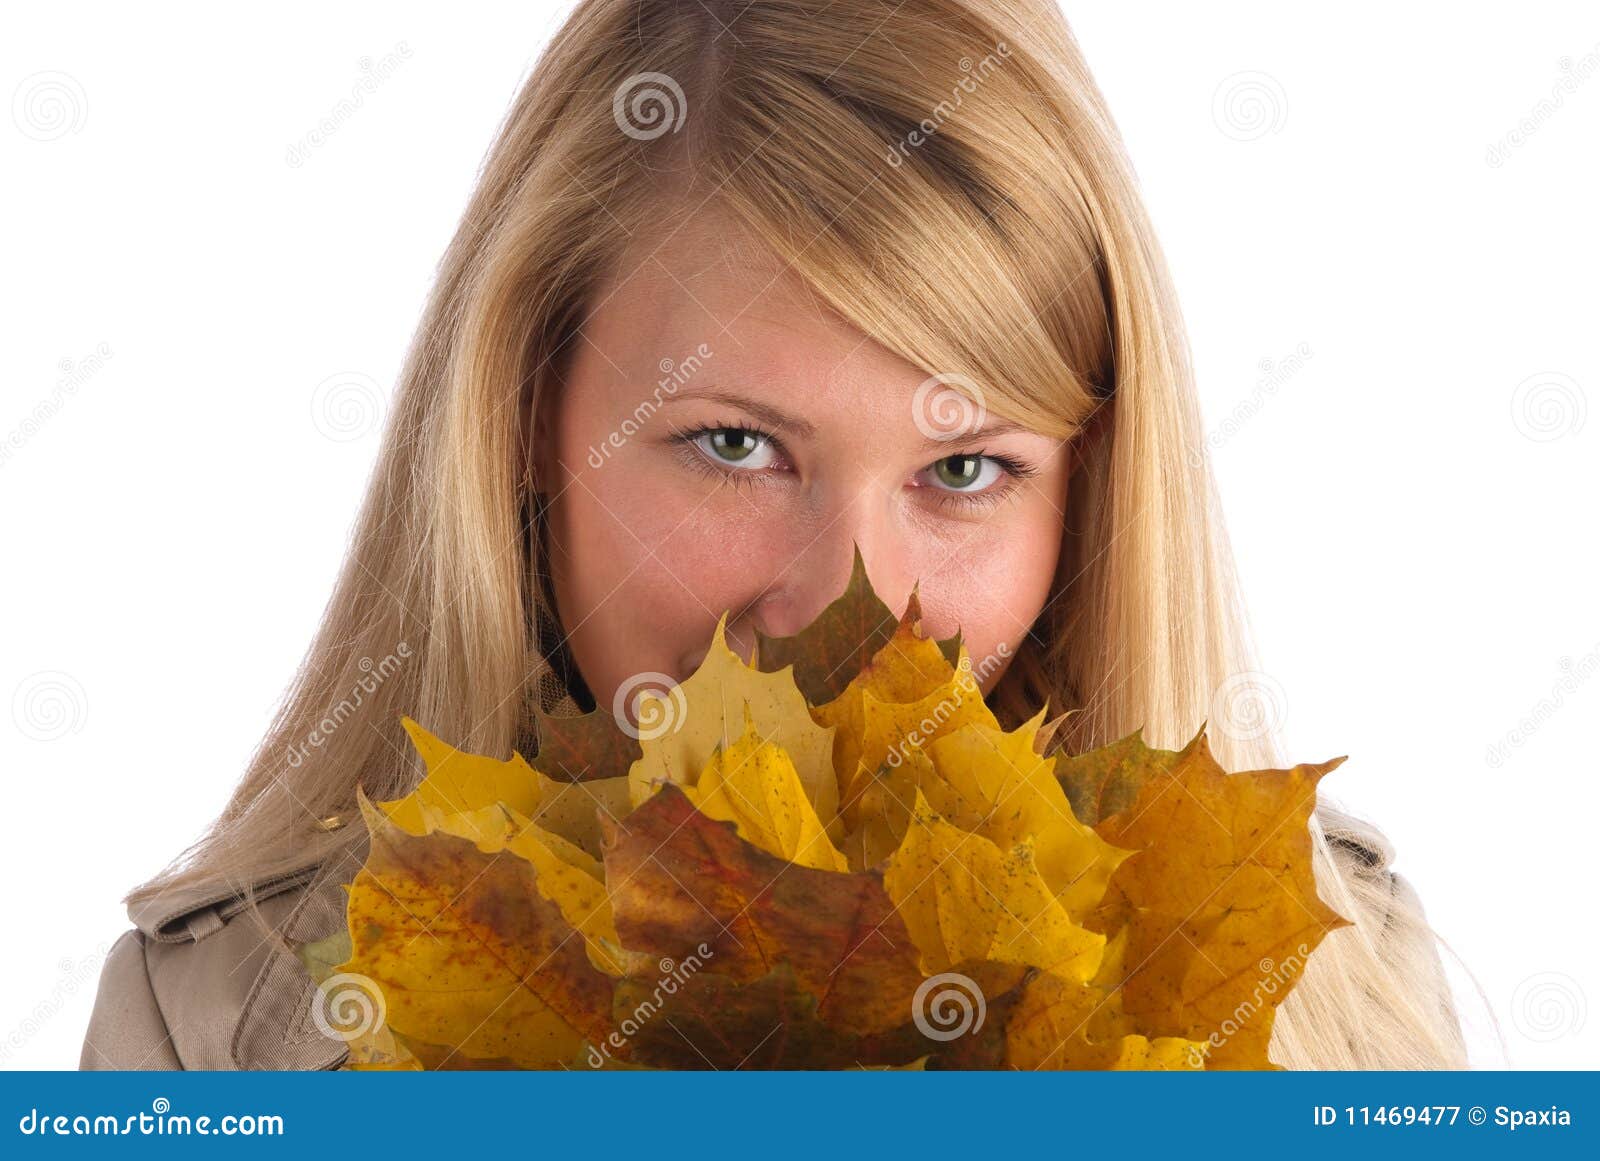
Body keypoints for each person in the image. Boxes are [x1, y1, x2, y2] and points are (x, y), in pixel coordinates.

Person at [80, 0, 1468, 1070]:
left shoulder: (1336, 997)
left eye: (966, 467)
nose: (844, 616)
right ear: (520, 418)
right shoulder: (214, 1032)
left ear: (1093, 491)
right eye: (735, 446)